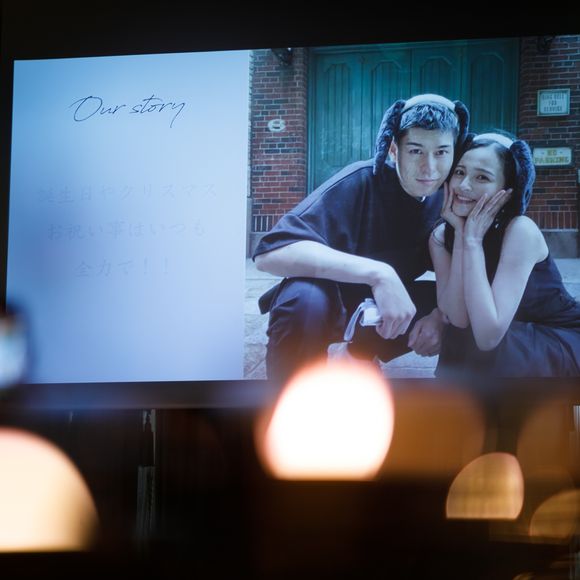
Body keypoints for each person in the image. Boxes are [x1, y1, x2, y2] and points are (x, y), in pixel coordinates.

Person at [253, 94, 470, 383]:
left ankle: (359, 354)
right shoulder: (360, 180)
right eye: (416, 151)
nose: (429, 168)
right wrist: (379, 274)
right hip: (326, 298)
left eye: (441, 152)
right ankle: (291, 395)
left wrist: (441, 317)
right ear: (393, 150)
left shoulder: (452, 195)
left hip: (380, 308)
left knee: (464, 308)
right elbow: (270, 254)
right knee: (303, 301)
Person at [430, 132, 580, 378]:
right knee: (458, 338)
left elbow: (488, 336)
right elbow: (458, 318)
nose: (463, 185)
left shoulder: (521, 231)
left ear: (507, 190)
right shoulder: (440, 236)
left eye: (482, 177)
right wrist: (461, 236)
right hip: (510, 338)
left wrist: (473, 242)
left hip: (556, 336)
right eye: (459, 172)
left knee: (486, 348)